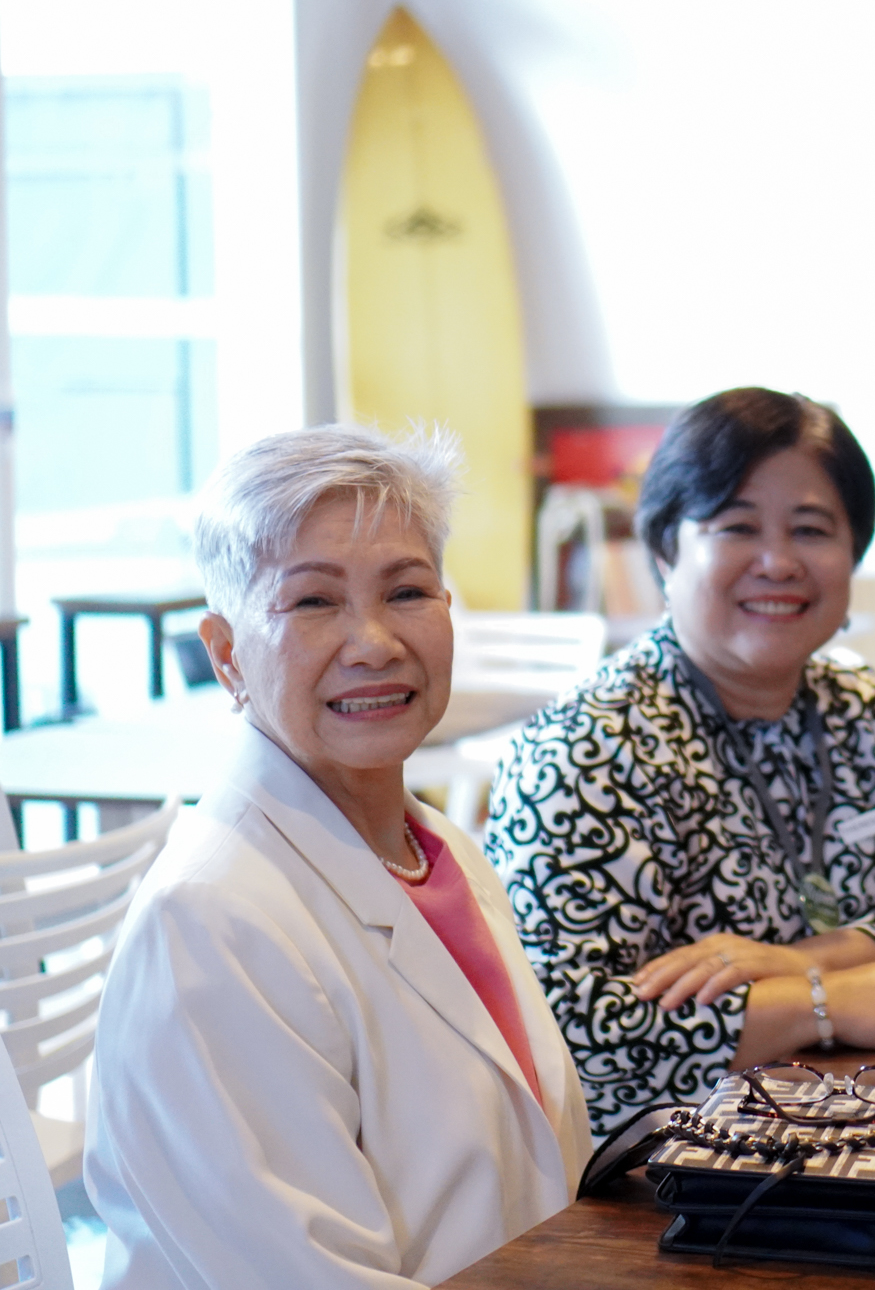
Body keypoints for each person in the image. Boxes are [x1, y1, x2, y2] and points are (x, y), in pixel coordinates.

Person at [85, 428, 592, 1289]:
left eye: (407, 591)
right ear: (226, 654)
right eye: (314, 601)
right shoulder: (209, 922)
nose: (374, 641)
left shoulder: (445, 852)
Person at [486, 388, 875, 1137]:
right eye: (737, 527)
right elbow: (567, 1034)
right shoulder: (587, 749)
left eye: (811, 529)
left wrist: (805, 961)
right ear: (664, 552)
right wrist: (825, 1006)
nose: (778, 562)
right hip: (667, 1174)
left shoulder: (865, 713)